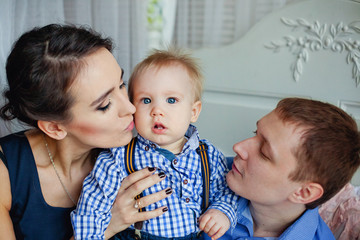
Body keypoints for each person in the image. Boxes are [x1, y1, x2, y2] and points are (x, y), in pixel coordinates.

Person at [0, 24, 172, 240]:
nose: (131, 108)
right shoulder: (5, 174)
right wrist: (107, 225)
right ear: (55, 127)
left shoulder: (136, 154)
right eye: (105, 105)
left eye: (121, 85)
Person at [71, 48, 240, 240]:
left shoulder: (208, 154)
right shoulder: (117, 158)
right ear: (133, 107)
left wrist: (222, 211)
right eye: (146, 100)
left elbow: (227, 190)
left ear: (194, 111)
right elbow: (91, 211)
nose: (157, 110)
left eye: (171, 100)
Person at [204, 97, 360, 240]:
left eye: (264, 153)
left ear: (303, 192)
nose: (238, 147)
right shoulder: (206, 173)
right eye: (255, 133)